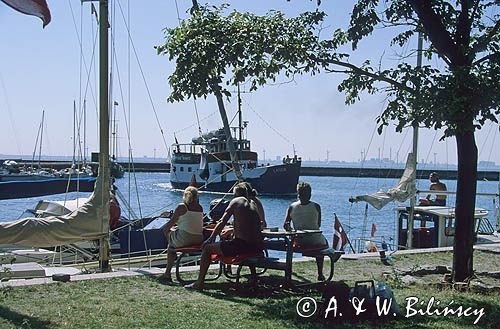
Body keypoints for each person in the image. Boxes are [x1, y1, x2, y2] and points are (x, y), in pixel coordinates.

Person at [185, 183, 263, 290]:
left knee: (207, 249)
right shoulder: (253, 203)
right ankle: (253, 278)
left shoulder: (236, 201)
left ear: (235, 193)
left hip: (242, 246)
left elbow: (222, 221)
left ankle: (199, 283)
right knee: (234, 243)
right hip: (257, 246)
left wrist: (210, 239)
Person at [284, 181, 328, 281]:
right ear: (310, 194)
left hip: (299, 240)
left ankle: (288, 272)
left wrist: (291, 228)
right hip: (315, 240)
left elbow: (286, 225)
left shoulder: (291, 207)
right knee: (323, 243)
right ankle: (320, 273)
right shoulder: (316, 206)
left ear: (298, 194)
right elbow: (318, 224)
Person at [159, 186, 204, 282]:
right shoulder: (200, 208)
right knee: (175, 232)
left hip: (185, 238)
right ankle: (174, 247)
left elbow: (168, 226)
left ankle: (167, 273)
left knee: (169, 244)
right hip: (199, 238)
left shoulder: (181, 207)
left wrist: (170, 229)